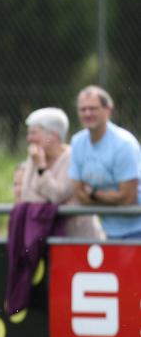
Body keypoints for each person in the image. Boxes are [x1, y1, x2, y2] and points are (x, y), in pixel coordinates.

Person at [17, 107, 103, 238]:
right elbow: (26, 195)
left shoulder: (73, 158)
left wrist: (41, 167)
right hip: (46, 235)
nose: (29, 138)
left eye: (34, 133)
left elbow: (57, 195)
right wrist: (49, 203)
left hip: (78, 237)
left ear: (53, 136)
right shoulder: (34, 157)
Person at [69, 86, 141, 239]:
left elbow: (129, 199)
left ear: (108, 110)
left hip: (137, 230)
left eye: (93, 108)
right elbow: (78, 195)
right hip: (107, 231)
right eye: (83, 109)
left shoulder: (124, 144)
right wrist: (113, 197)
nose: (87, 113)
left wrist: (93, 194)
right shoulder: (77, 142)